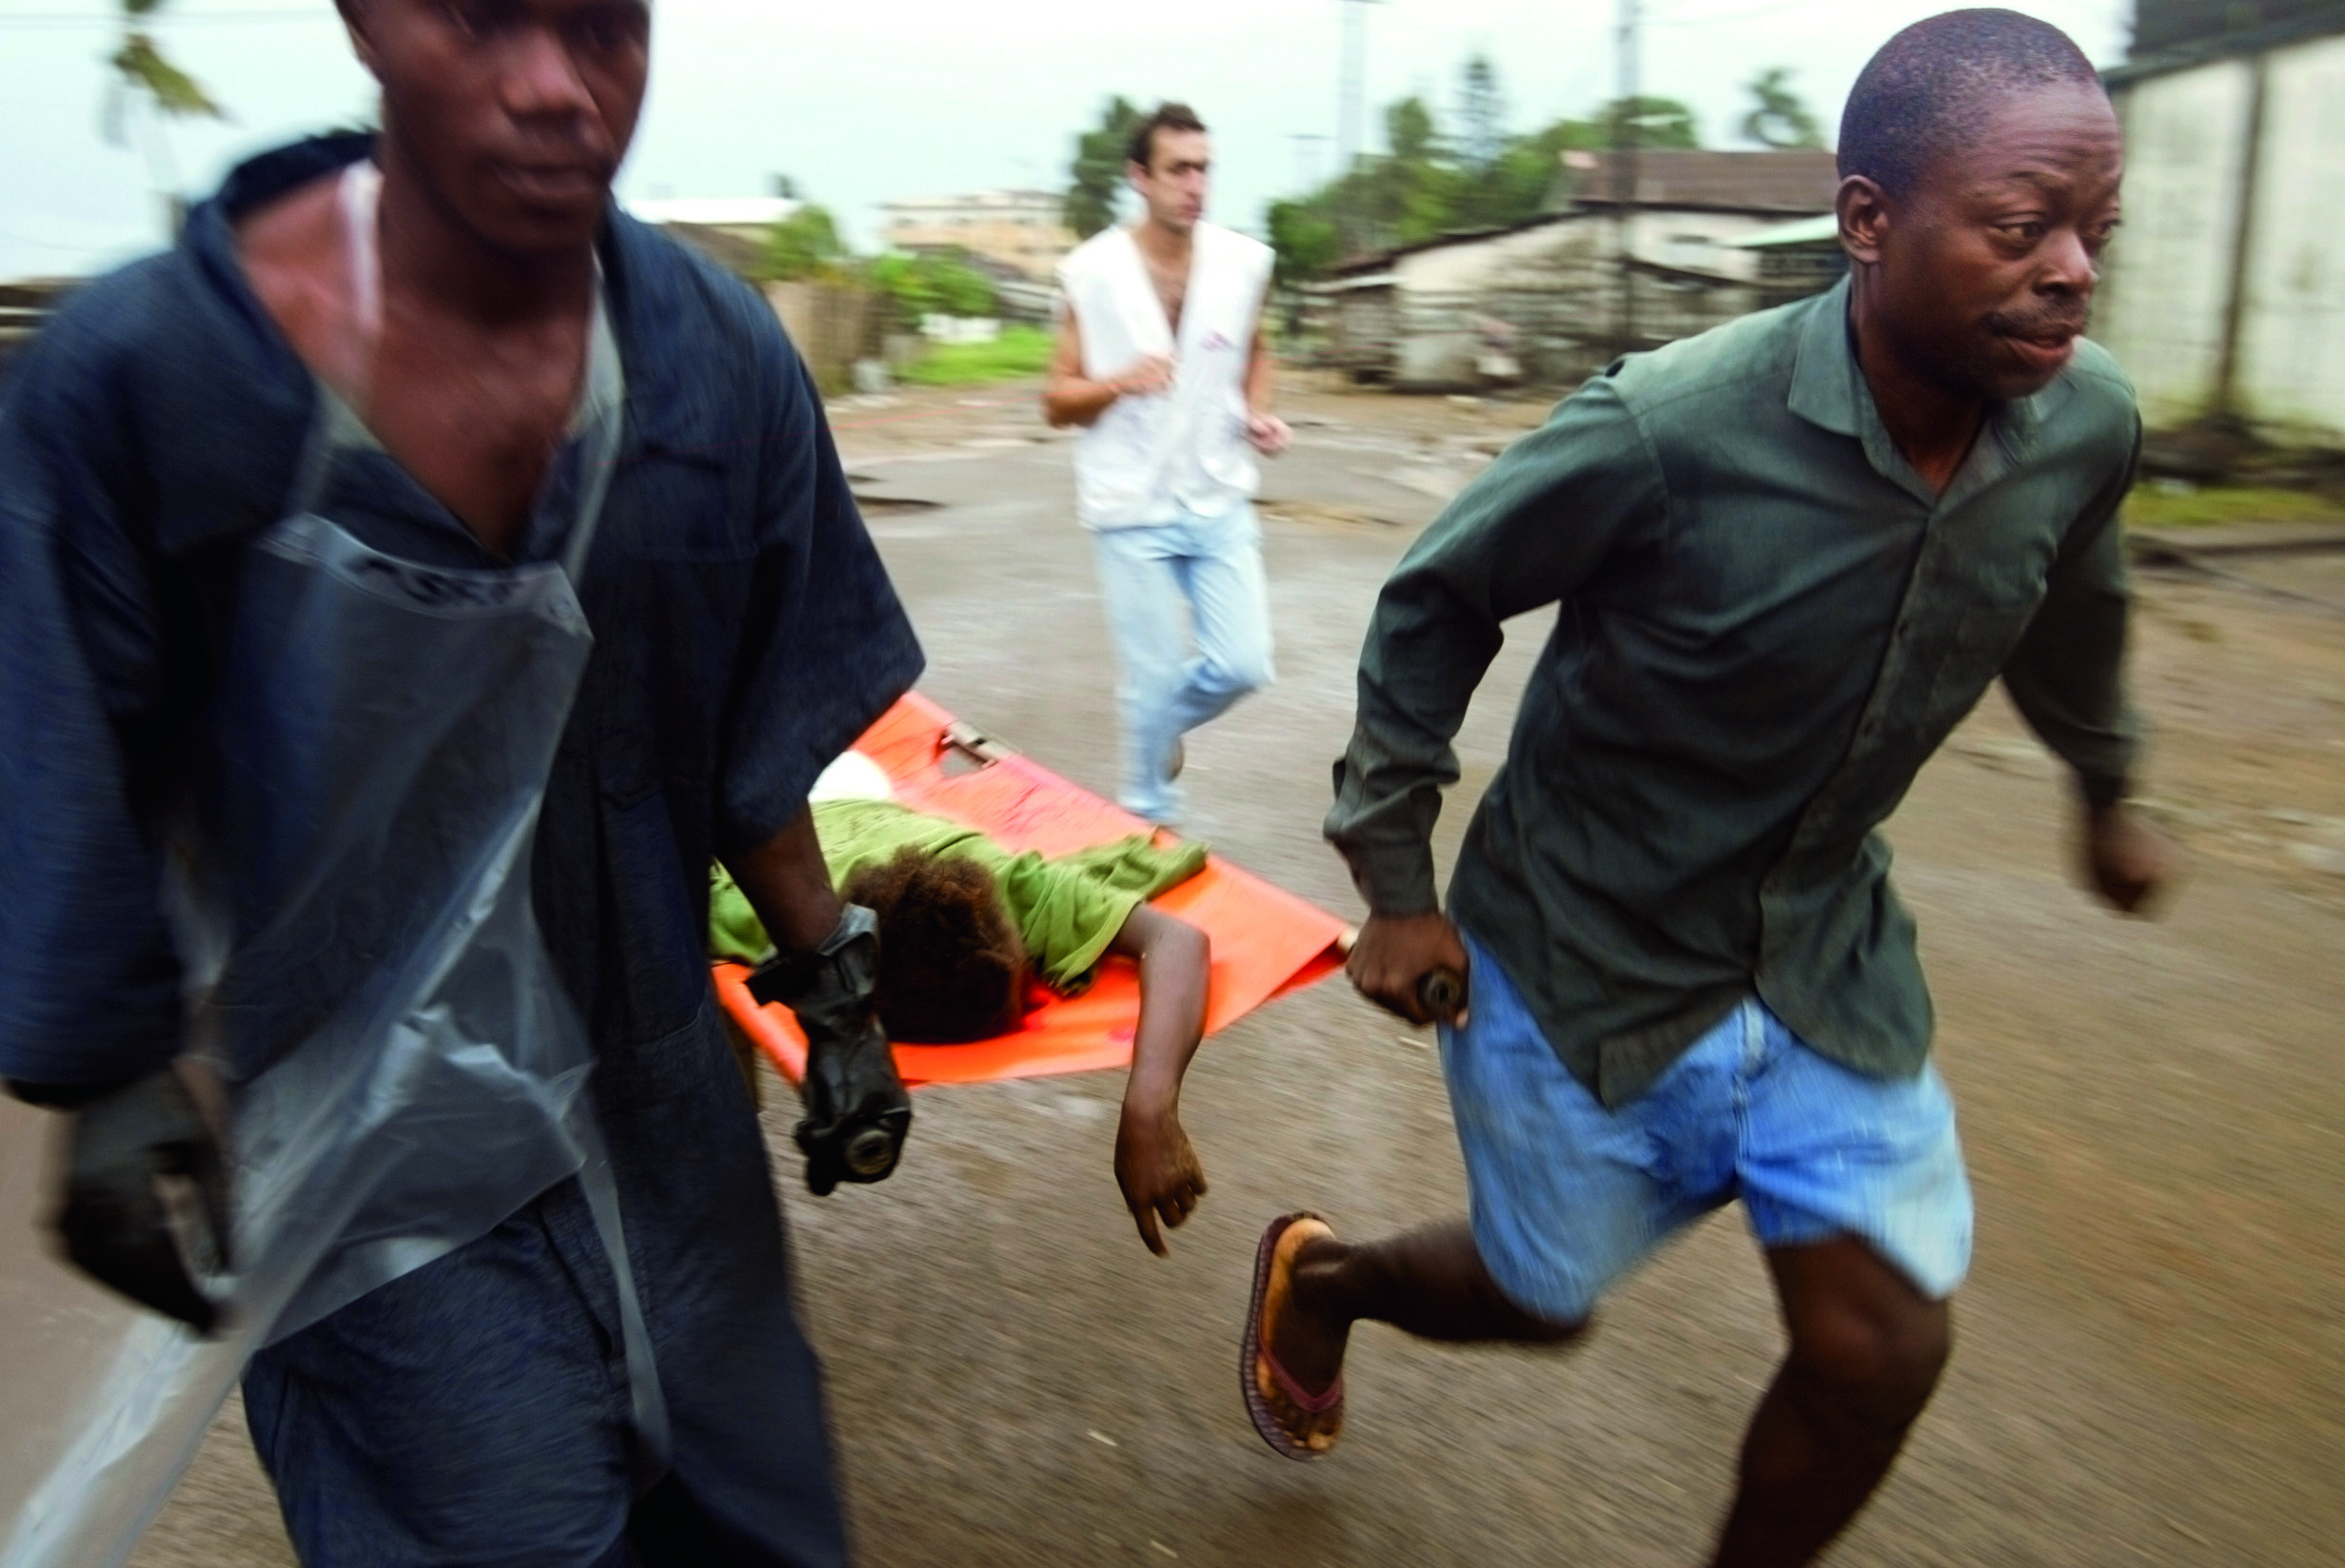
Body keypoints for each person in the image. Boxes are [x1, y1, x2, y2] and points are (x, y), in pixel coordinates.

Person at [1241, 12, 2174, 1567]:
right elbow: (1436, 597)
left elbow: (2075, 604)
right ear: (1864, 220)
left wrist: (2103, 782)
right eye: (2022, 229)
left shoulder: (2080, 426)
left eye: (2093, 230)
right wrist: (1394, 883)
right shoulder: (1668, 426)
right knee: (1536, 1297)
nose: (2070, 268)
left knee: (1880, 1340)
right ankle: (1325, 1280)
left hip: (1819, 951)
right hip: (1576, 952)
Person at [0, 1, 921, 1562]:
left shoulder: (711, 368)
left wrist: (834, 991)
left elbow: (744, 745)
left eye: (600, 26)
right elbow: (65, 738)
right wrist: (104, 1071)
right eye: (486, 18)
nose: (554, 88)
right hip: (369, 1178)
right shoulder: (150, 387)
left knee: (757, 1527)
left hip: (663, 1134)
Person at [710, 759, 1216, 1255]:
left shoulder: (1006, 884)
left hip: (851, 787)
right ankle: (721, 1143)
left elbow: (1177, 942)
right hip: (786, 811)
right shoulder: (779, 919)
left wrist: (1150, 1107)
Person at [1043, 102, 1291, 826]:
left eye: (1204, 168)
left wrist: (1256, 411)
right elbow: (1055, 401)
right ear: (1139, 177)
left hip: (1218, 496)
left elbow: (1258, 347)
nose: (1195, 184)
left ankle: (1163, 721)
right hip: (1131, 509)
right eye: (1178, 169)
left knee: (1245, 664)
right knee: (1147, 681)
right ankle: (1149, 827)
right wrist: (1120, 381)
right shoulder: (1090, 274)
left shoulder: (1244, 264)